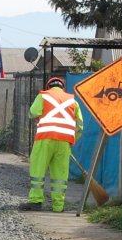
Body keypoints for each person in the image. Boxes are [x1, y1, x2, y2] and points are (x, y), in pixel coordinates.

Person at [21, 76, 83, 212]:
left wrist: (40, 117)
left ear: (49, 86)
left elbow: (32, 112)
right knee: (60, 176)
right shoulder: (73, 101)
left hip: (45, 139)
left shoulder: (43, 96)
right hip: (64, 142)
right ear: (62, 87)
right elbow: (80, 126)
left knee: (38, 170)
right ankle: (58, 206)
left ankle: (36, 202)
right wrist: (71, 139)